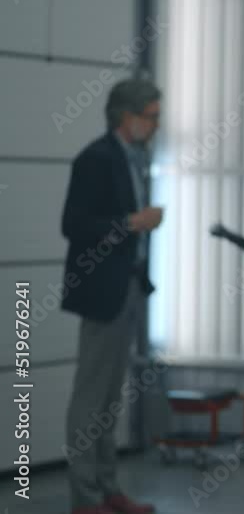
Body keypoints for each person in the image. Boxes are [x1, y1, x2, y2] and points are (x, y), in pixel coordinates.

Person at [61, 79, 163, 514]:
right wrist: (131, 223)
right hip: (102, 290)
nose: (156, 125)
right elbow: (74, 224)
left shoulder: (135, 158)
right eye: (152, 117)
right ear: (128, 116)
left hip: (129, 286)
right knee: (91, 396)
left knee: (110, 397)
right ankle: (85, 497)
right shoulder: (96, 159)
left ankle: (107, 488)